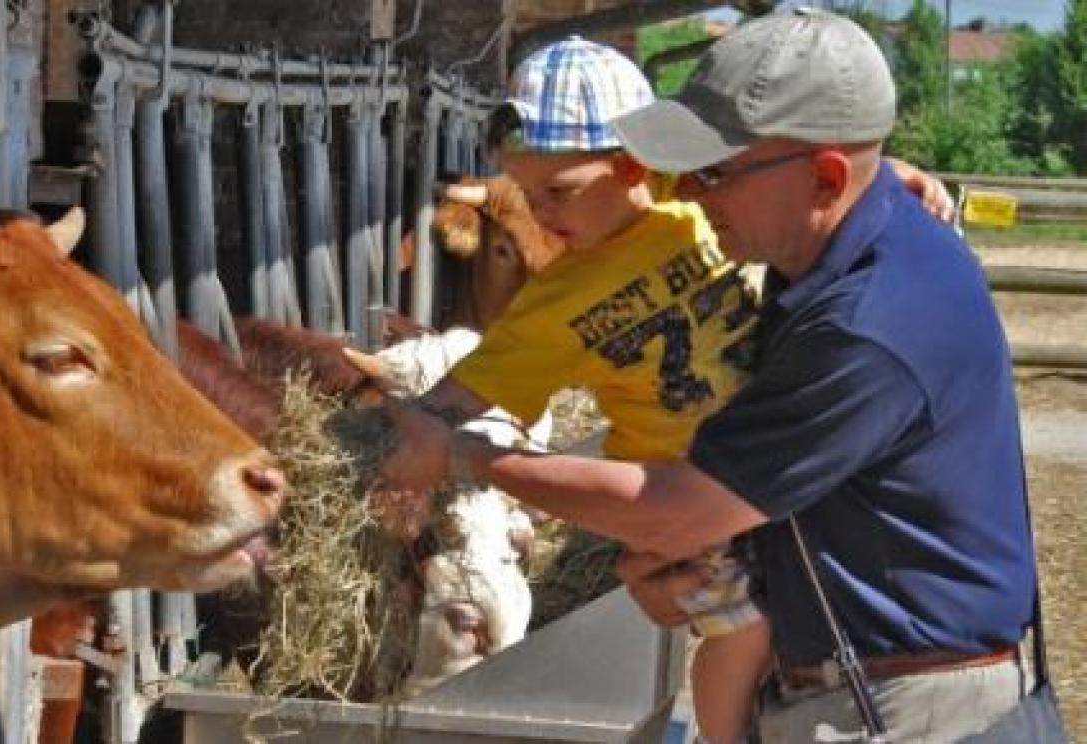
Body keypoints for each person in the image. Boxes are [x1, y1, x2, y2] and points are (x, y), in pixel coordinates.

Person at [383, 9, 1035, 742]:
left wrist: (470, 457)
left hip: (900, 712)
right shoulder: (822, 257)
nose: (688, 193)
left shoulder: (870, 320)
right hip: (844, 677)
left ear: (825, 179)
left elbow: (679, 510)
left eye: (713, 172)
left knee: (728, 649)